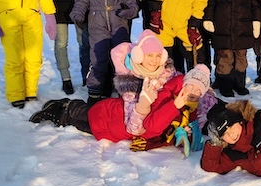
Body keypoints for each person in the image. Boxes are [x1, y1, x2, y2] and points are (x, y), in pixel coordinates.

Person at [31, 38, 214, 155]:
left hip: (118, 129)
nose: (154, 60)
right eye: (149, 55)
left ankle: (67, 110)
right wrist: (147, 103)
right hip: (113, 119)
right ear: (140, 56)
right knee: (82, 117)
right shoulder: (131, 82)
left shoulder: (170, 75)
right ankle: (62, 109)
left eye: (158, 56)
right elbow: (135, 127)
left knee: (87, 123)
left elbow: (194, 88)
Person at [70, 0, 139, 104]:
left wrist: (130, 11)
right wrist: (78, 12)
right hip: (97, 22)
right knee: (98, 57)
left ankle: (126, 92)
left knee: (122, 58)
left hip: (118, 21)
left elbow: (131, 0)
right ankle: (95, 93)